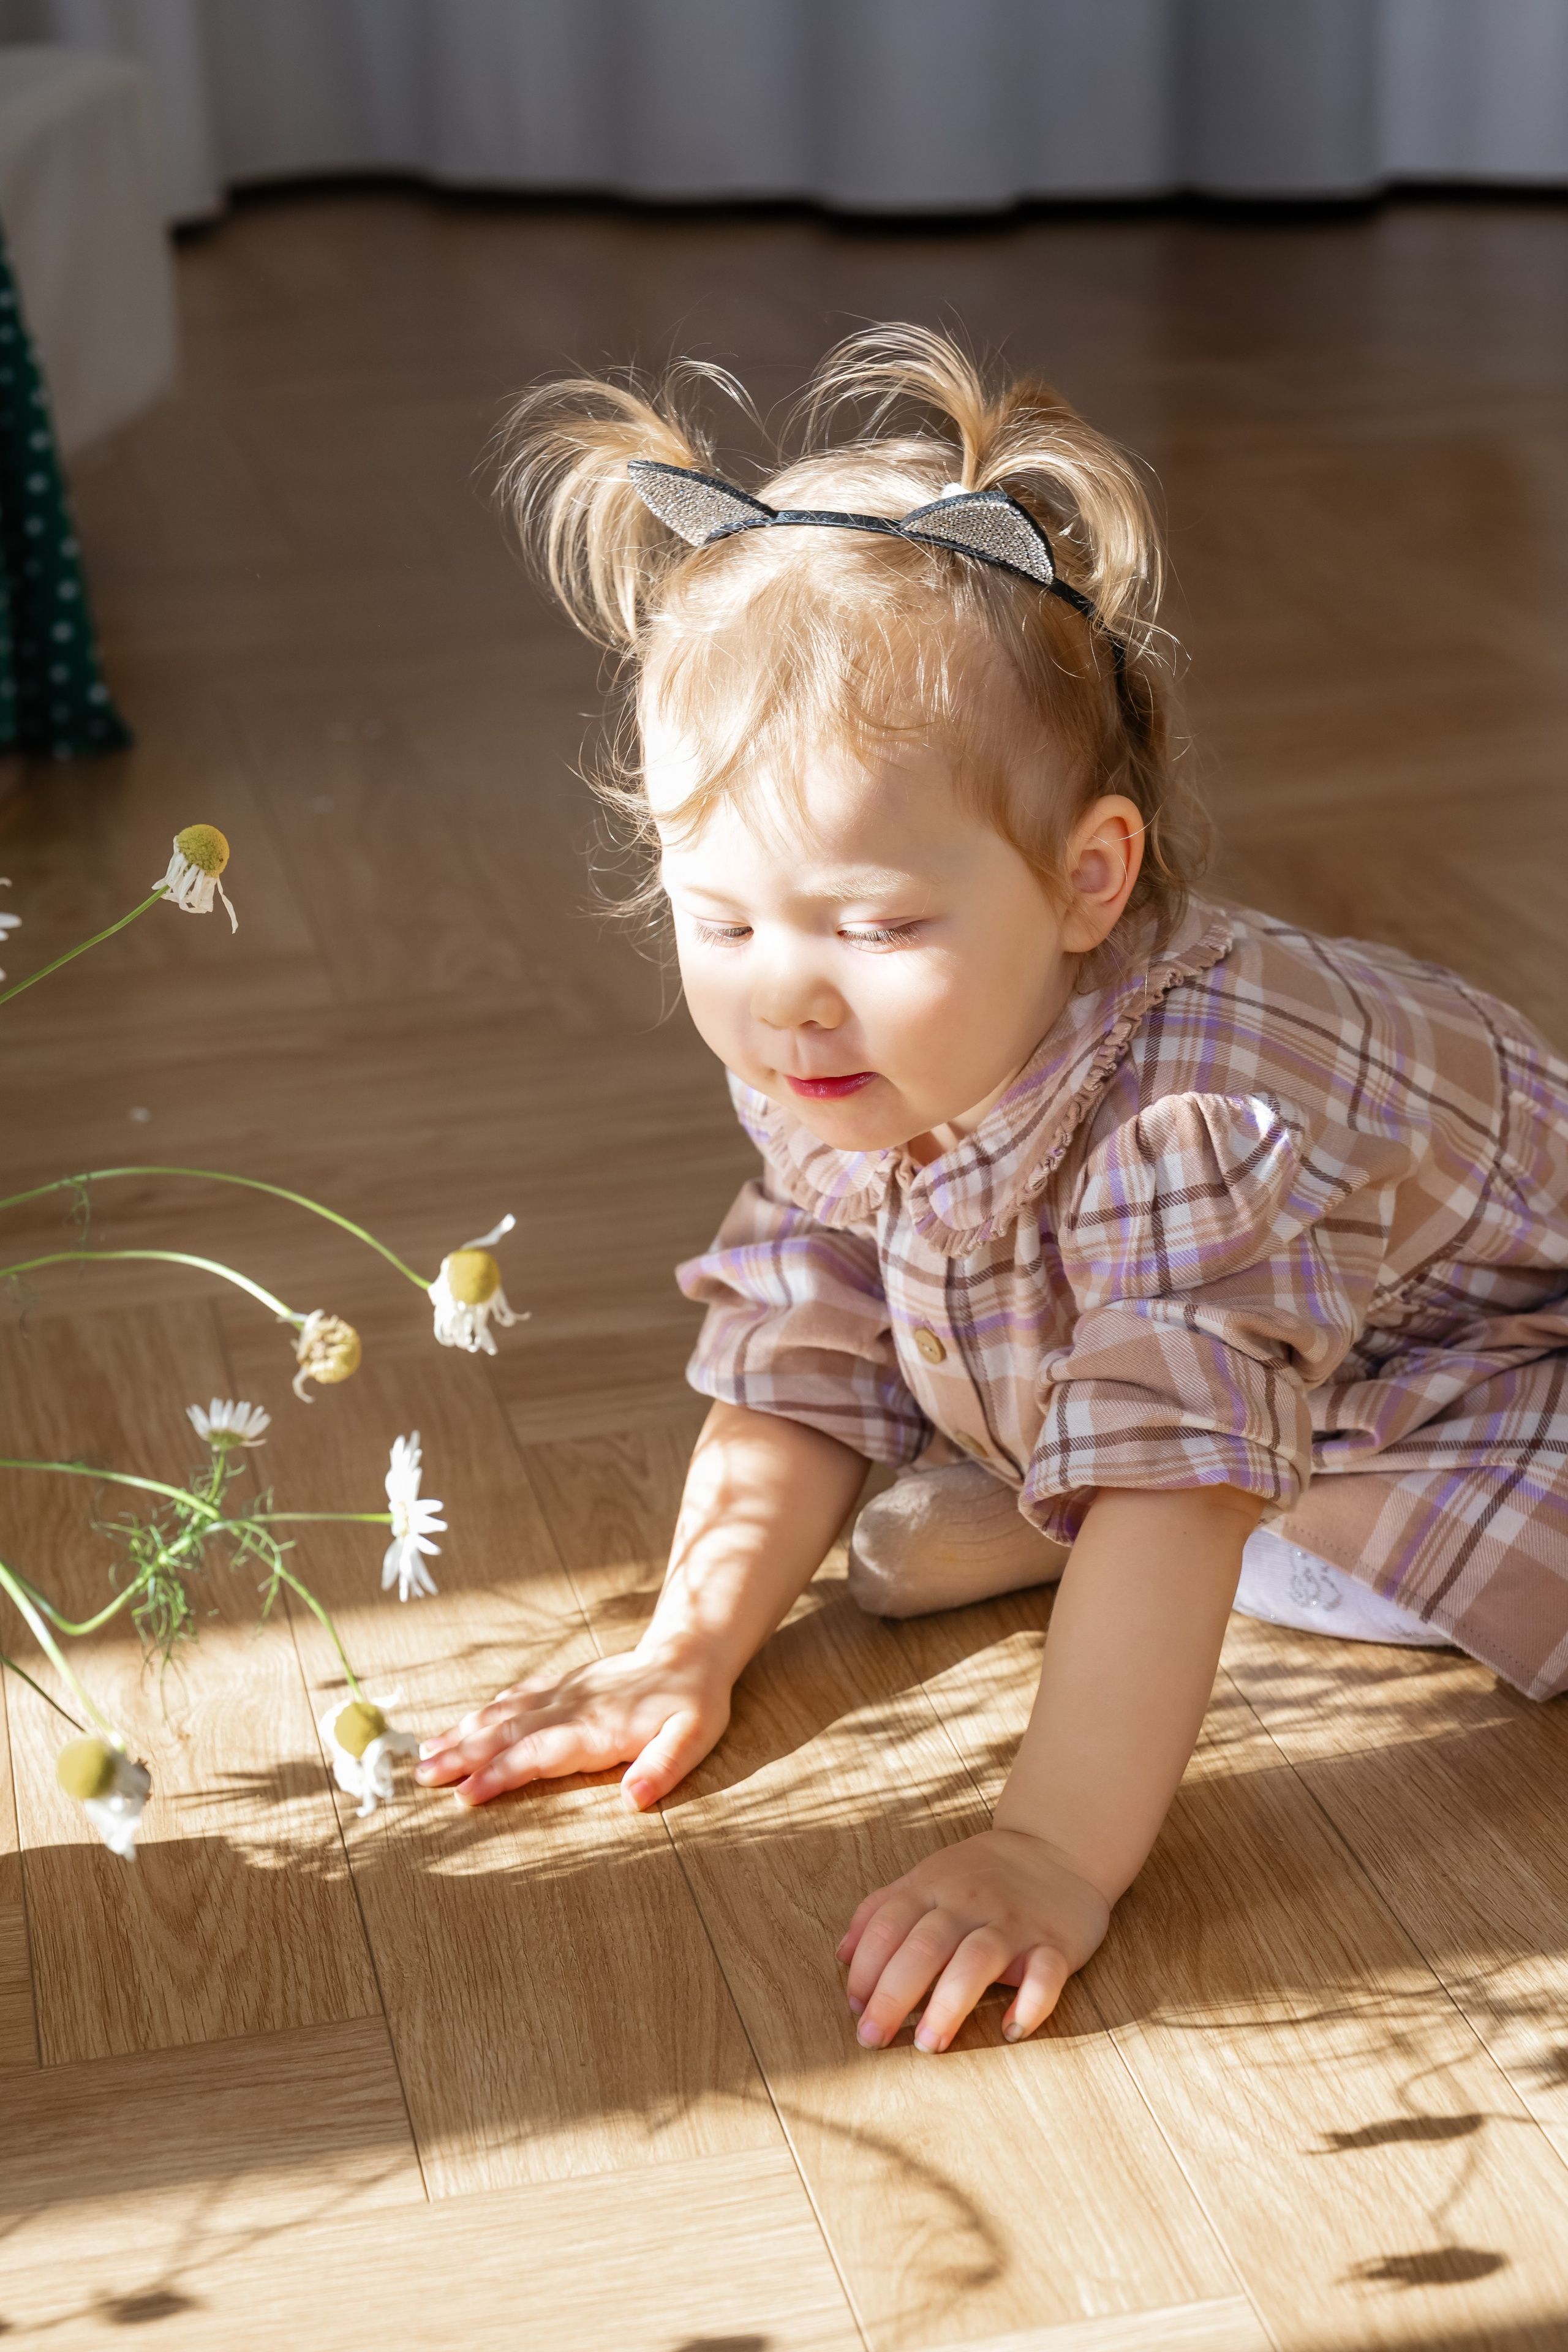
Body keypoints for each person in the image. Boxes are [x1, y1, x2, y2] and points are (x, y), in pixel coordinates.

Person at [417, 326, 1568, 2052]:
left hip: (1479, 1362)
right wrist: (688, 1644)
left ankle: (1086, 1495)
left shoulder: (1197, 1123)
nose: (788, 995)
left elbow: (1181, 1492)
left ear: (1091, 880)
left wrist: (1049, 1850)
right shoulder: (842, 1047)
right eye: (717, 919)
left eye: (875, 926)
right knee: (1017, 1372)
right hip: (1218, 1348)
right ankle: (1056, 1479)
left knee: (1203, 1500)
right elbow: (808, 1326)